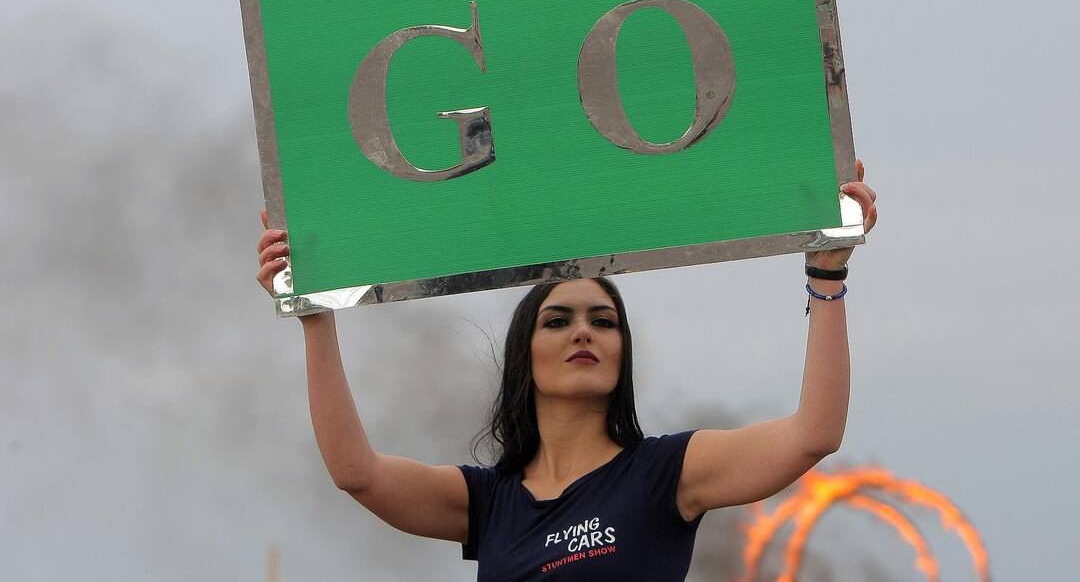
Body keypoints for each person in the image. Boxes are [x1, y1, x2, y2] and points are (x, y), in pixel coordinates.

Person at [254, 160, 878, 581]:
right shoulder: (488, 502)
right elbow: (355, 473)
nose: (584, 330)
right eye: (558, 320)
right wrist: (315, 315)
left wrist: (827, 275)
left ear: (622, 352)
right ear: (525, 354)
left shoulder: (667, 473)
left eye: (604, 321)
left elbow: (814, 434)